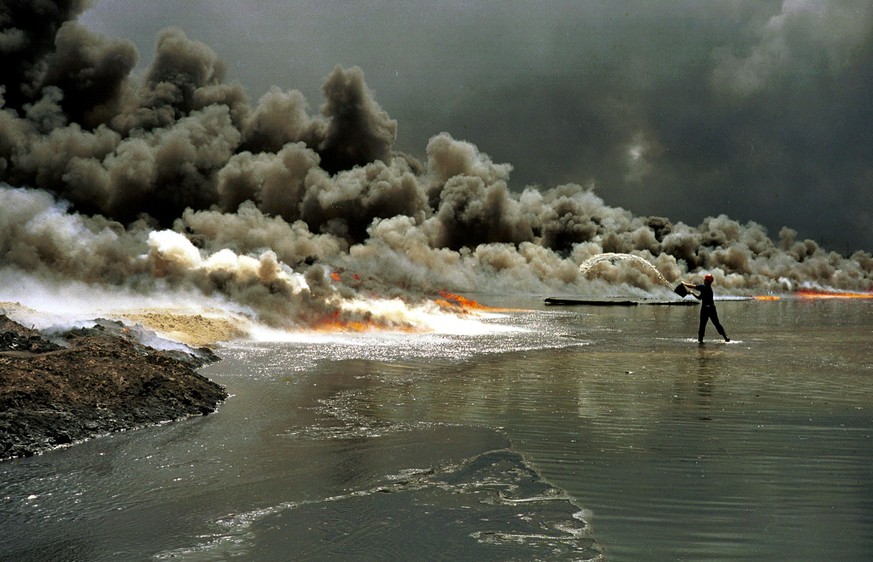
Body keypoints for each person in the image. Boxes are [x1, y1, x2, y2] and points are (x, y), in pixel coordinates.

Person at [683, 274, 730, 344]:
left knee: (702, 325)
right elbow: (699, 298)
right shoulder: (708, 289)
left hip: (705, 309)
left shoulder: (704, 287)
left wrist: (684, 284)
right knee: (716, 323)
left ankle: (700, 340)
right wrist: (692, 293)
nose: (704, 280)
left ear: (707, 281)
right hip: (711, 309)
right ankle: (725, 338)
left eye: (705, 279)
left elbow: (692, 286)